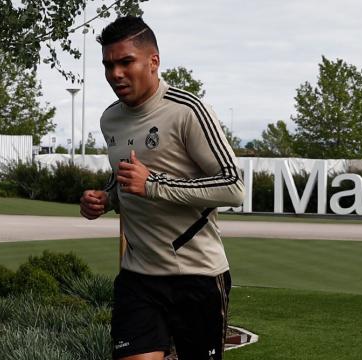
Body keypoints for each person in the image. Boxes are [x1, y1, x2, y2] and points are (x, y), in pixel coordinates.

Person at [80, 15, 244, 360]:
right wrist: (106, 198)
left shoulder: (188, 111)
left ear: (153, 61)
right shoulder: (110, 119)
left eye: (126, 62)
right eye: (108, 65)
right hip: (138, 276)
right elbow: (125, 177)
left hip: (197, 275)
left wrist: (153, 185)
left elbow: (233, 186)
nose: (115, 74)